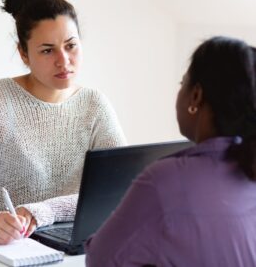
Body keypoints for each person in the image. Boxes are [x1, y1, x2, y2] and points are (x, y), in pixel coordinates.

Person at [0, 0, 126, 245]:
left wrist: (43, 212)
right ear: (23, 54)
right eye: (47, 51)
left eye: (71, 46)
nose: (64, 61)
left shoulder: (95, 106)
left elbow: (120, 192)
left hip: (67, 248)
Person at [85, 36, 256, 266]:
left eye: (182, 83)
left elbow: (100, 259)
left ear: (195, 95)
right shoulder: (248, 168)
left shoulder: (165, 180)